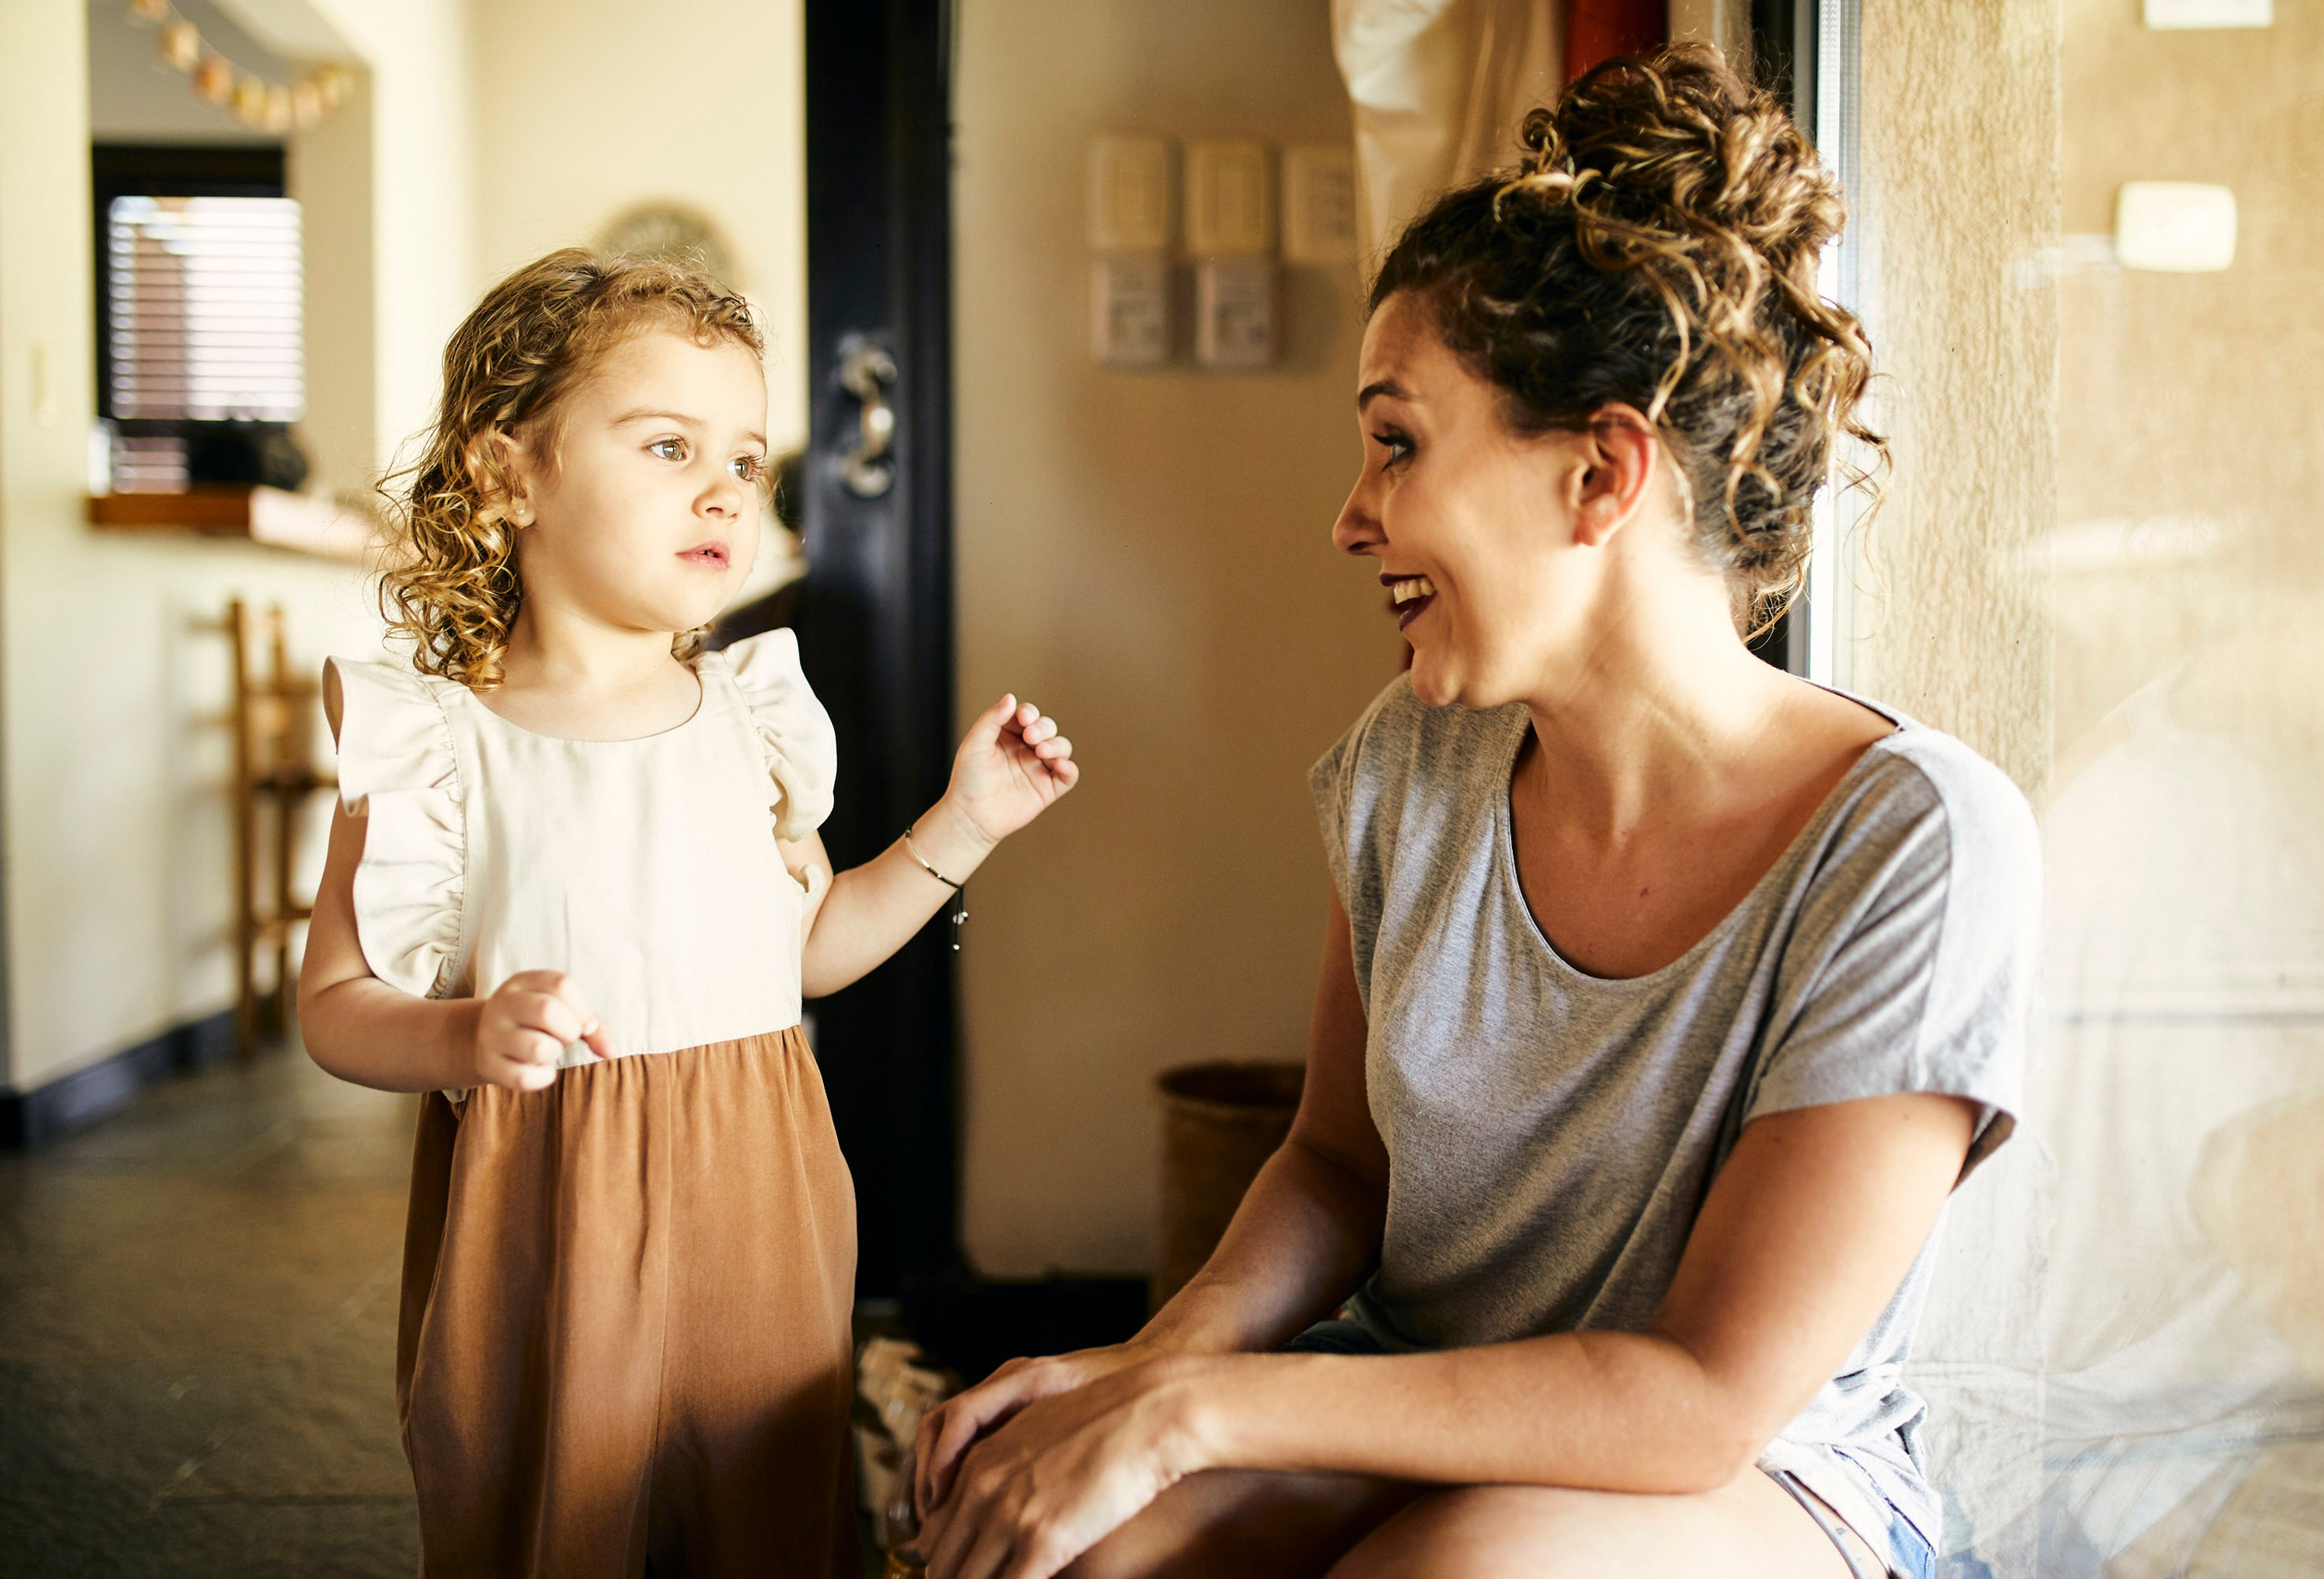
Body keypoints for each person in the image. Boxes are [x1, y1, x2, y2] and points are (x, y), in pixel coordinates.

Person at [909, 47, 2038, 1579]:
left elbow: (1701, 1398)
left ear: (1599, 472)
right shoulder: (1407, 764)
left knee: (1458, 1573)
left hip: (1750, 1475)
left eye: (1396, 441)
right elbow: (1335, 1167)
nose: (1348, 515)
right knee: (1094, 1550)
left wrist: (1201, 1415)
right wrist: (1148, 1372)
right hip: (1408, 1383)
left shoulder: (1915, 843)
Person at [295, 251, 1078, 1577]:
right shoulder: (440, 747)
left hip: (760, 1209)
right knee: (561, 1515)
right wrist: (462, 1036)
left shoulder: (755, 721)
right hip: (549, 1229)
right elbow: (332, 1005)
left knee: (764, 1503)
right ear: (509, 473)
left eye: (748, 462)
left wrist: (965, 824)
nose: (724, 489)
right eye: (667, 446)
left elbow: (810, 949)